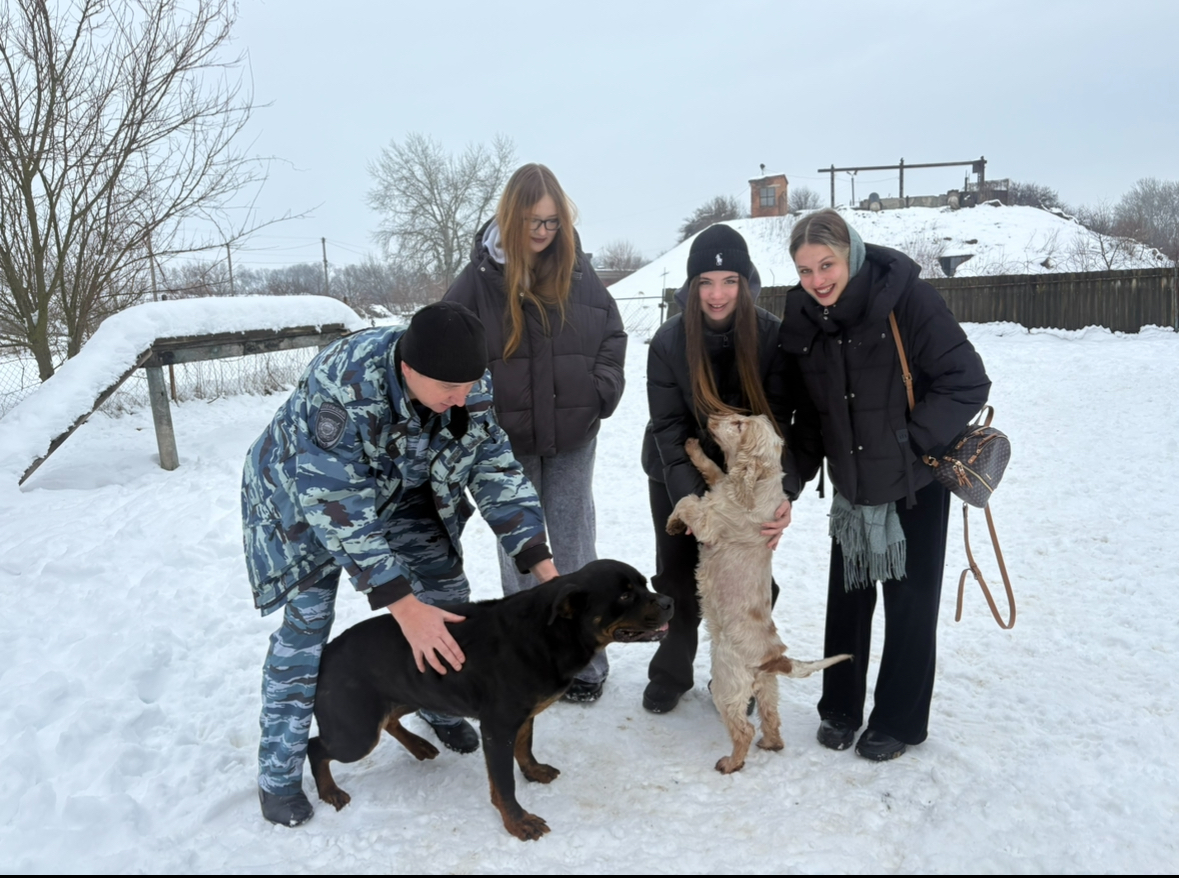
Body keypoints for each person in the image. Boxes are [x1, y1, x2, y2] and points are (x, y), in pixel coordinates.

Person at [241, 301, 558, 827]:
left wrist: (542, 566)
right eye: (449, 391)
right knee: (307, 630)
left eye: (470, 386)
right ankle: (278, 770)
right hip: (302, 502)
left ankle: (439, 703)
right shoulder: (343, 387)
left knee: (448, 597)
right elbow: (338, 506)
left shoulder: (461, 381)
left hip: (400, 490)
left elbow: (493, 465)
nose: (463, 399)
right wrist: (403, 607)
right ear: (408, 371)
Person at [779, 208, 991, 761]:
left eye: (827, 264)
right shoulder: (804, 315)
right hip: (852, 488)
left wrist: (910, 446)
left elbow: (967, 381)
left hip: (914, 482)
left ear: (852, 252)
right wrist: (788, 483)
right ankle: (840, 708)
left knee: (910, 604)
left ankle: (897, 719)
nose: (818, 281)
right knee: (847, 602)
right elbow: (806, 415)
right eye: (805, 271)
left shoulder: (906, 299)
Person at [443, 163, 626, 702]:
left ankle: (585, 660)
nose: (544, 233)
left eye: (552, 221)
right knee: (523, 545)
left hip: (573, 433)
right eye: (532, 221)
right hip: (507, 443)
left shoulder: (576, 268)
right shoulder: (480, 277)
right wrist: (476, 412)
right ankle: (532, 653)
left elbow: (613, 333)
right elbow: (446, 345)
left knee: (571, 540)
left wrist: (600, 390)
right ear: (510, 216)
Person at [641, 223, 798, 714]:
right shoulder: (667, 343)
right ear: (691, 287)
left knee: (749, 582)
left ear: (745, 282)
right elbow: (669, 429)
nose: (716, 294)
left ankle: (739, 672)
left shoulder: (772, 336)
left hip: (751, 488)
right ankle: (672, 668)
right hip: (676, 476)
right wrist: (698, 507)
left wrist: (781, 494)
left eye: (728, 280)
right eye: (705, 282)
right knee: (676, 577)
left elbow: (780, 426)